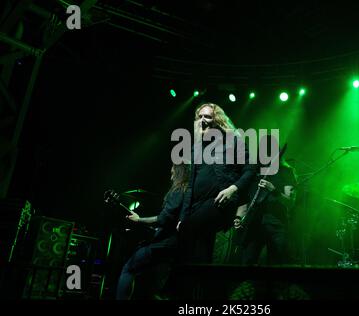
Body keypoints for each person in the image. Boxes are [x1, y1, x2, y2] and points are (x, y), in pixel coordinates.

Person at [177, 102, 256, 264]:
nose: (203, 120)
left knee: (188, 231)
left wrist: (233, 189)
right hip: (196, 206)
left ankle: (174, 286)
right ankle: (201, 286)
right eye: (200, 117)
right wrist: (183, 216)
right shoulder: (195, 148)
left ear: (217, 120)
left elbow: (251, 169)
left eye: (207, 116)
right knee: (201, 250)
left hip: (220, 202)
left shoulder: (232, 141)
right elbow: (191, 185)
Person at [115, 163, 189, 300]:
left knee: (128, 269)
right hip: (174, 245)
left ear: (179, 173)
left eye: (173, 173)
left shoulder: (178, 190)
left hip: (164, 243)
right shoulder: (188, 191)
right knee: (155, 286)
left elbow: (163, 218)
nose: (171, 177)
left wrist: (139, 220)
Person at [235, 155, 297, 266]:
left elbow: (290, 202)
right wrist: (238, 217)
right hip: (253, 224)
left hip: (276, 225)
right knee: (247, 262)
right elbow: (245, 198)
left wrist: (273, 190)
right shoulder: (253, 171)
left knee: (277, 264)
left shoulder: (286, 172)